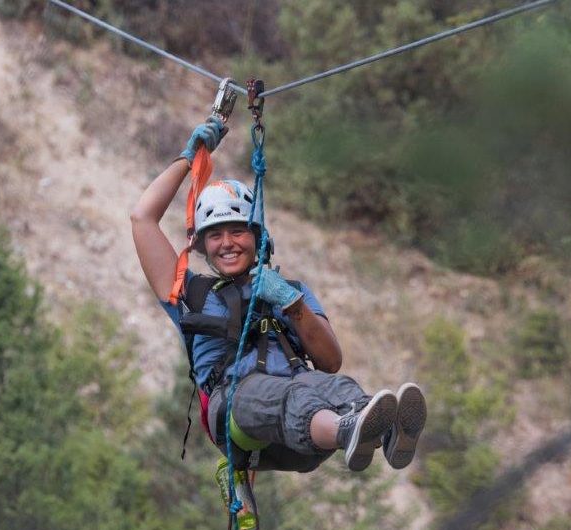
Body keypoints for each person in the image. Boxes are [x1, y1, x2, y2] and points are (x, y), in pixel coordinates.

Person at [131, 117, 426, 477]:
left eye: (238, 231)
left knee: (335, 386)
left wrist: (291, 302)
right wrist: (189, 158)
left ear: (257, 237)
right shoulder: (191, 293)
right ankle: (348, 430)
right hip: (237, 409)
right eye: (216, 235)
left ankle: (383, 431)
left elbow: (330, 361)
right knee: (289, 396)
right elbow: (143, 218)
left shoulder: (289, 291)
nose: (227, 243)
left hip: (302, 432)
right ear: (203, 246)